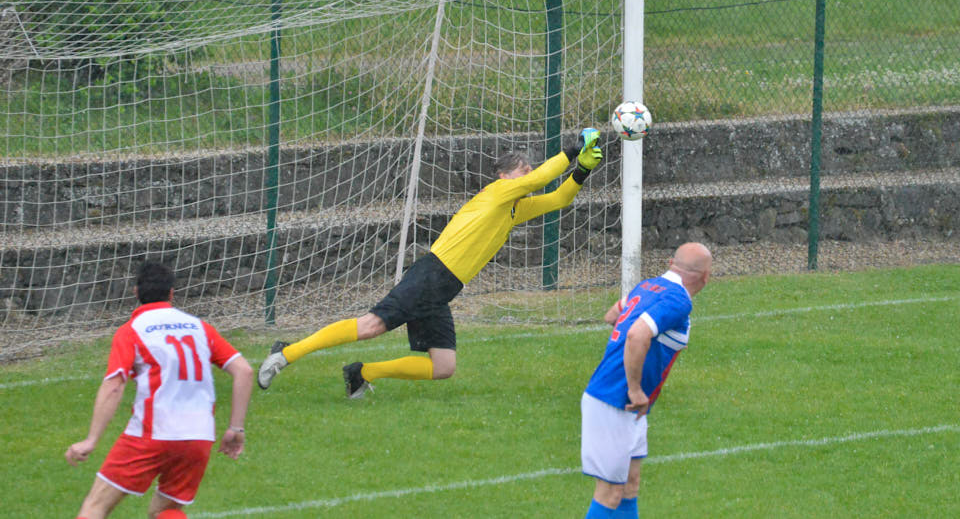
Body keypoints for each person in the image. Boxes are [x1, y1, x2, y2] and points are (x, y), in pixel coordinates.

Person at [258, 128, 605, 398]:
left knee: (443, 366)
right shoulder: (497, 192)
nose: (529, 174)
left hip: (443, 287)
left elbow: (558, 198)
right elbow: (541, 179)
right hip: (432, 274)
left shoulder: (515, 207)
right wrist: (573, 149)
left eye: (529, 169)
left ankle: (361, 374)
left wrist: (583, 169)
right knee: (370, 326)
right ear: (503, 177)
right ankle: (286, 353)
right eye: (523, 170)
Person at [65, 261, 254, 519]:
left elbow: (113, 387)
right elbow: (244, 371)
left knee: (95, 506)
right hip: (198, 436)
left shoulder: (132, 331)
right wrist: (236, 428)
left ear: (135, 292)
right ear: (171, 293)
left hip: (152, 434)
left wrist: (91, 440)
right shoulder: (199, 328)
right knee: (165, 512)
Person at [581, 242, 713, 519]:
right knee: (610, 493)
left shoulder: (647, 286)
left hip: (626, 405)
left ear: (671, 263)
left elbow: (613, 315)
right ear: (706, 276)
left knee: (630, 485)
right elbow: (636, 334)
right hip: (615, 400)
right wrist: (635, 389)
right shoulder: (679, 301)